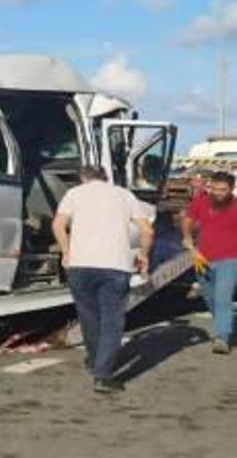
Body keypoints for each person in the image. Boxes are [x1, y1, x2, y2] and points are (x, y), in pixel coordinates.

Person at [52, 164, 155, 393]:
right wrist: (143, 255)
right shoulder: (124, 195)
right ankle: (103, 374)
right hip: (115, 266)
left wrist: (66, 252)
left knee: (89, 317)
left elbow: (58, 224)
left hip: (80, 265)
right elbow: (147, 231)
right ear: (107, 178)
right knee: (112, 321)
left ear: (83, 178)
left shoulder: (74, 194)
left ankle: (95, 360)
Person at [181, 170, 237, 354]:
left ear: (231, 189)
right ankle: (225, 321)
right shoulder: (201, 202)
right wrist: (187, 237)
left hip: (230, 259)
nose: (218, 193)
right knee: (209, 296)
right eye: (215, 189)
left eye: (223, 190)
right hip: (202, 258)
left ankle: (222, 337)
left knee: (223, 297)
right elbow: (188, 219)